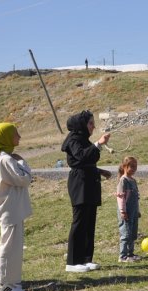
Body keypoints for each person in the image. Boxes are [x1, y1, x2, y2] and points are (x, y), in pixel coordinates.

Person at [61, 110, 112, 273]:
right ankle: (72, 262)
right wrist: (98, 143)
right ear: (82, 125)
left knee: (89, 223)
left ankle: (85, 259)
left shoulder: (83, 139)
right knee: (79, 222)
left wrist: (100, 171)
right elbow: (81, 157)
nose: (93, 126)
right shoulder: (74, 140)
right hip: (80, 184)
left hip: (89, 183)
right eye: (91, 123)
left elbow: (87, 162)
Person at [0, 122, 32, 291]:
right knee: (8, 248)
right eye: (15, 134)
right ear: (6, 138)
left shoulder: (3, 157)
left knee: (14, 248)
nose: (19, 137)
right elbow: (24, 179)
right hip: (9, 210)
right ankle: (3, 285)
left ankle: (12, 282)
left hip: (11, 209)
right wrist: (21, 161)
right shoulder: (6, 159)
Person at [116, 156, 142, 263]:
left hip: (133, 211)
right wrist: (123, 211)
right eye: (132, 166)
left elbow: (136, 198)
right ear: (125, 167)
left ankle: (130, 254)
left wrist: (137, 210)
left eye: (135, 166)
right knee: (125, 234)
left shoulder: (133, 180)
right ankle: (122, 256)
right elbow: (120, 198)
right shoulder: (123, 181)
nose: (134, 169)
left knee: (132, 233)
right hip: (126, 212)